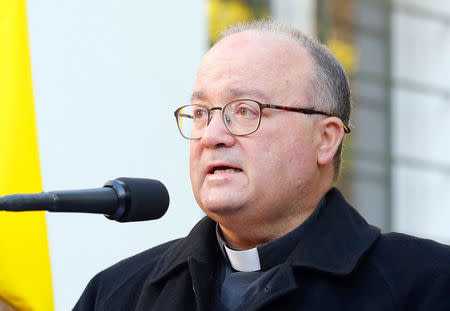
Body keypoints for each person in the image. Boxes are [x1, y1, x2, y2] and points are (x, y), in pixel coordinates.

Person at [74, 21, 450, 311]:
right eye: (202, 113)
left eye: (245, 110)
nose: (212, 136)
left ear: (326, 138)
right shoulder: (117, 293)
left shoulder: (426, 284)